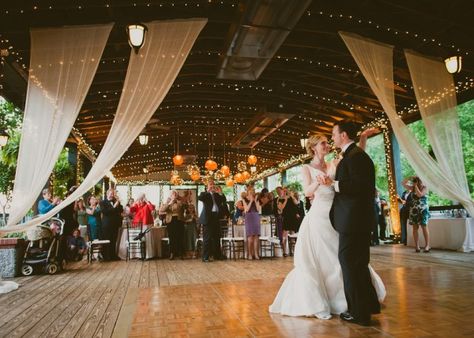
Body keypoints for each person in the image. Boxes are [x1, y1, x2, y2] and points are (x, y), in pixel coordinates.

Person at [269, 128, 385, 323]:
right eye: (323, 142)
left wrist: (363, 138)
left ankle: (351, 300)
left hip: (339, 215)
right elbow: (307, 192)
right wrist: (319, 183)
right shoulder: (307, 168)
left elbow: (355, 159)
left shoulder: (334, 162)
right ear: (314, 148)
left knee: (342, 258)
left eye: (327, 141)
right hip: (318, 217)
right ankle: (327, 301)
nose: (327, 144)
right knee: (326, 258)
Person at [326, 120, 383, 325]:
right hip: (356, 220)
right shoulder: (353, 155)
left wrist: (334, 184)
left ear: (343, 135)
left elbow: (360, 186)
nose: (332, 138)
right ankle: (367, 306)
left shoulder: (356, 156)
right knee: (358, 264)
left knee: (350, 264)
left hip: (353, 220)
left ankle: (358, 313)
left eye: (333, 134)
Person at [198, 180, 227, 262]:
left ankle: (217, 255)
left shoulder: (216, 195)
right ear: (207, 186)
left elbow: (223, 200)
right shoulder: (204, 194)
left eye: (213, 184)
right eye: (210, 184)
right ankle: (205, 257)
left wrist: (220, 192)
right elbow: (200, 198)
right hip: (208, 218)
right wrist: (208, 191)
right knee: (207, 238)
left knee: (217, 237)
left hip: (216, 217)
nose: (212, 186)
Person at [404, 176, 430, 252]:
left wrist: (415, 186)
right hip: (414, 210)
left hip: (423, 210)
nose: (417, 182)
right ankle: (417, 246)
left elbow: (419, 195)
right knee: (415, 228)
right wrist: (410, 177)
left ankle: (427, 245)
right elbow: (403, 183)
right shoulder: (412, 188)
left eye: (418, 180)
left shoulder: (425, 188)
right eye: (416, 181)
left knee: (424, 227)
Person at [160, 190, 186, 260]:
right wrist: (170, 202)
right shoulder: (167, 202)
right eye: (172, 194)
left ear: (177, 195)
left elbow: (183, 207)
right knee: (172, 237)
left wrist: (177, 201)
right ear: (170, 195)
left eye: (175, 194)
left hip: (179, 221)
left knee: (180, 237)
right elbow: (162, 210)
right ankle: (172, 253)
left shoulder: (180, 201)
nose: (174, 195)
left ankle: (181, 253)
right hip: (170, 221)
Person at [100, 188, 123, 260]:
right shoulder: (102, 202)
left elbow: (121, 210)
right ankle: (106, 256)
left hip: (115, 224)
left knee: (114, 240)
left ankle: (113, 255)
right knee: (107, 240)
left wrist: (118, 203)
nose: (112, 195)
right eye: (111, 193)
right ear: (107, 194)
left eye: (113, 194)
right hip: (107, 225)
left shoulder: (115, 201)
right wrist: (114, 206)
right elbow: (105, 212)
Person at [242, 186, 261, 260]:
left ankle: (256, 254)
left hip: (256, 217)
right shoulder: (244, 199)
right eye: (250, 192)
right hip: (249, 218)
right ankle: (250, 254)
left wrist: (255, 201)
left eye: (252, 192)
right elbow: (246, 209)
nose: (251, 194)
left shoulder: (257, 199)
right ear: (248, 193)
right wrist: (251, 201)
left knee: (256, 236)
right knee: (250, 237)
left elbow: (258, 209)